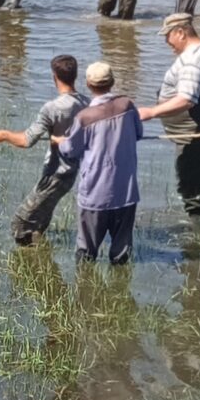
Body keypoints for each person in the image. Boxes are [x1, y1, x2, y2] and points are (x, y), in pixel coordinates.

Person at [138, 12, 200, 224]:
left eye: (167, 36)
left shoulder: (191, 62)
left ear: (180, 32)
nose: (166, 42)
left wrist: (151, 112)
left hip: (196, 137)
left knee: (191, 193)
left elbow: (186, 99)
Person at [0, 52, 85, 245]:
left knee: (20, 222)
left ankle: (30, 262)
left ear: (54, 77)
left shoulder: (52, 108)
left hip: (54, 174)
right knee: (41, 217)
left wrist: (4, 135)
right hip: (72, 172)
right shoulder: (86, 102)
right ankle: (39, 254)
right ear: (75, 75)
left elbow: (26, 140)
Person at [57, 61, 146, 264]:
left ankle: (86, 292)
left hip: (95, 195)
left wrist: (61, 141)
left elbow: (70, 151)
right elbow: (139, 133)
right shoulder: (128, 105)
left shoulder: (84, 117)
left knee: (86, 255)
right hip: (126, 192)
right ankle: (120, 291)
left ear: (88, 84)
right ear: (112, 81)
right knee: (122, 256)